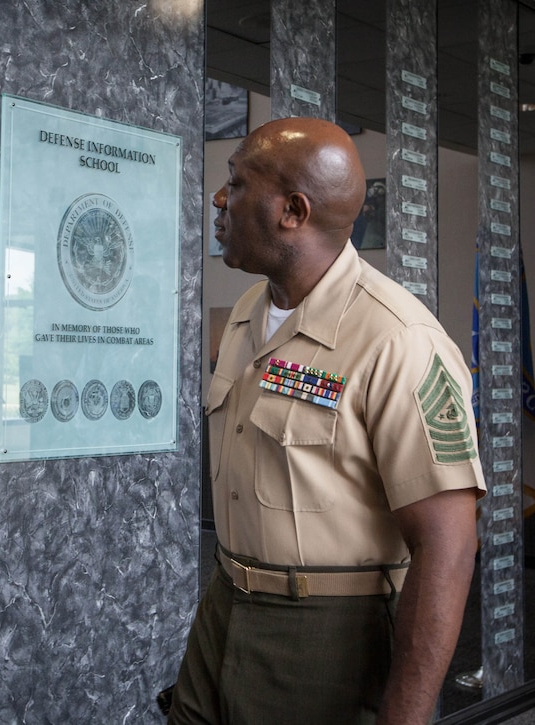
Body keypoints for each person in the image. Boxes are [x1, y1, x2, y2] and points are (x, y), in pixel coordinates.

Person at [168, 118, 485, 724]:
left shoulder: (398, 340)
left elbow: (448, 543)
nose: (218, 198)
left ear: (292, 210)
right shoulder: (247, 312)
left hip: (328, 633)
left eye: (235, 182)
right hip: (225, 605)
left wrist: (406, 715)